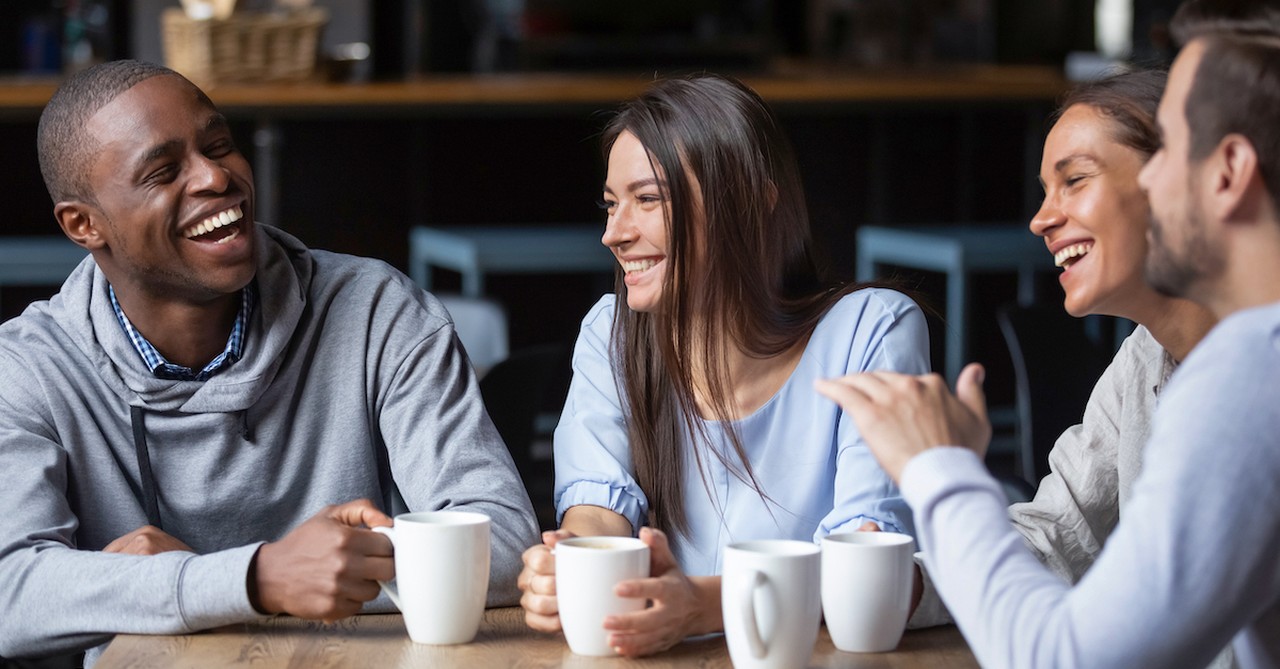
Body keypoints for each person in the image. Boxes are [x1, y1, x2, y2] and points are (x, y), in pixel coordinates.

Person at [0, 60, 540, 663]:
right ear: (84, 224)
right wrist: (258, 578)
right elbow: (11, 594)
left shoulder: (379, 312)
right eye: (163, 171)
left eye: (219, 145)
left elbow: (504, 539)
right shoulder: (26, 370)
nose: (214, 177)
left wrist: (209, 582)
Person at [817, 32, 1280, 667]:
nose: (1039, 219)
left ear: (1228, 171)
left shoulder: (1251, 376)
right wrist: (908, 580)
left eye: (1173, 150)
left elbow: (1065, 654)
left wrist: (939, 469)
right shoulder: (1155, 359)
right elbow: (1060, 533)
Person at [517, 74, 931, 656]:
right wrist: (572, 566)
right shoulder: (613, 334)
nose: (614, 232)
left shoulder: (870, 331)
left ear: (751, 204)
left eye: (648, 199)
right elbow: (597, 513)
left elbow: (864, 573)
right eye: (612, 204)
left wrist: (702, 604)